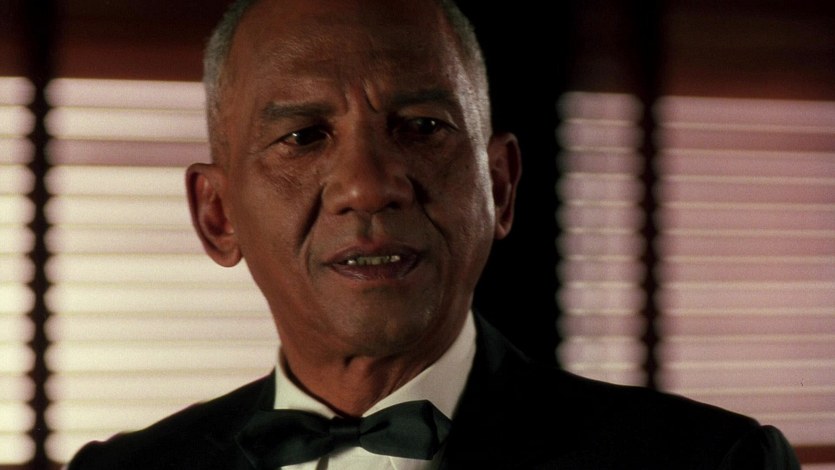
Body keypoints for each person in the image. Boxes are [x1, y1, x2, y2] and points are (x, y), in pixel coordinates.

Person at [66, 0, 801, 468]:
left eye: (421, 127)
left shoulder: (709, 461)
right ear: (218, 216)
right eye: (303, 136)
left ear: (500, 187)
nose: (368, 186)